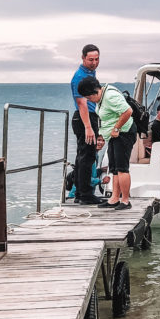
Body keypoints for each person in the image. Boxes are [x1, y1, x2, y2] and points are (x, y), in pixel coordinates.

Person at [77, 77, 136, 210]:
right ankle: (114, 199)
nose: (88, 100)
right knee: (114, 168)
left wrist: (116, 128)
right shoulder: (102, 97)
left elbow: (128, 111)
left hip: (124, 133)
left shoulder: (110, 96)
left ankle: (126, 200)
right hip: (113, 136)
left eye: (88, 97)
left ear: (93, 93)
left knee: (122, 168)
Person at [70, 44, 101, 205]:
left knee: (83, 156)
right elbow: (81, 103)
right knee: (87, 157)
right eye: (90, 60)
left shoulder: (90, 72)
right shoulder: (80, 76)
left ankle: (80, 193)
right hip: (84, 118)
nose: (94, 62)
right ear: (82, 58)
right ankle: (85, 194)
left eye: (96, 59)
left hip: (90, 116)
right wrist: (88, 127)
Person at [66, 135, 110, 199]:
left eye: (103, 140)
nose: (101, 143)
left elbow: (91, 173)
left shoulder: (95, 155)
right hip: (76, 196)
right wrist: (101, 181)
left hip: (87, 194)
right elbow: (85, 178)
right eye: (98, 140)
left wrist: (100, 170)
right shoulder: (89, 156)